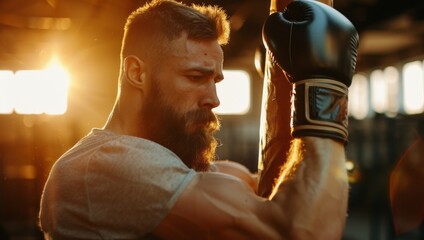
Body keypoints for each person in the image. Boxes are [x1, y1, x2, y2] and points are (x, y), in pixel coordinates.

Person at [39, 0, 359, 239]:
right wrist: (322, 85)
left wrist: (283, 83)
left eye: (215, 80)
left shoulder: (169, 164)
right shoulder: (102, 166)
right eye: (195, 77)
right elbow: (304, 231)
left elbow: (273, 187)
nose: (214, 99)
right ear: (137, 72)